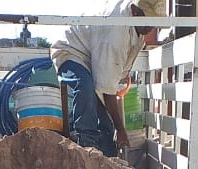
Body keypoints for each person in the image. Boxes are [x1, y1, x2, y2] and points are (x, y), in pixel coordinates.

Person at [50, 0, 164, 157]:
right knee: (85, 86)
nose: (151, 27)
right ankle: (87, 147)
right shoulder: (116, 33)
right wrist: (121, 129)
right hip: (72, 51)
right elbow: (106, 89)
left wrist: (115, 125)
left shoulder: (136, 27)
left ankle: (108, 157)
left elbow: (108, 82)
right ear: (134, 11)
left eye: (154, 23)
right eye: (148, 21)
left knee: (106, 120)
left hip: (95, 57)